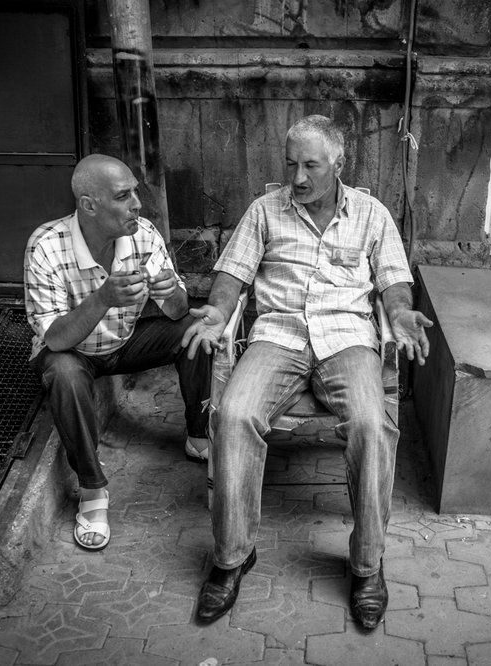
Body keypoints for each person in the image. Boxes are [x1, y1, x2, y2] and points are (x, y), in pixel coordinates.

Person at [182, 115, 433, 630]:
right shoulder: (264, 211)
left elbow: (392, 281)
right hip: (279, 336)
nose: (298, 177)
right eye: (291, 164)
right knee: (233, 416)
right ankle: (231, 558)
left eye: (310, 165)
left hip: (348, 340)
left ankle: (367, 566)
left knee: (371, 424)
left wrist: (403, 313)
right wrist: (216, 309)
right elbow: (233, 273)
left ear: (338, 164)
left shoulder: (371, 213)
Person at [24, 154, 211, 552]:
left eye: (135, 193)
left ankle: (199, 435)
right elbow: (55, 338)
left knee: (197, 329)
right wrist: (104, 297)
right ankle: (92, 490)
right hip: (73, 351)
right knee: (63, 372)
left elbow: (178, 311)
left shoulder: (143, 234)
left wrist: (170, 294)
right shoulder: (46, 247)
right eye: (124, 196)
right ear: (89, 205)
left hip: (124, 343)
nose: (137, 205)